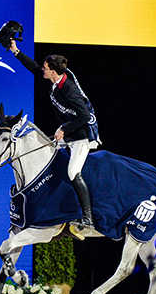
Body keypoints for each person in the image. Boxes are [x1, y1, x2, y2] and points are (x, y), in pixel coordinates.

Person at [7, 37, 100, 230]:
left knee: (73, 172)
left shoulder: (69, 90)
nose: (43, 69)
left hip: (81, 137)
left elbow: (84, 116)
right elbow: (34, 68)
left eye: (46, 67)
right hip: (68, 135)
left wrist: (64, 129)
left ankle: (88, 217)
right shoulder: (54, 81)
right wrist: (16, 51)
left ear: (54, 71)